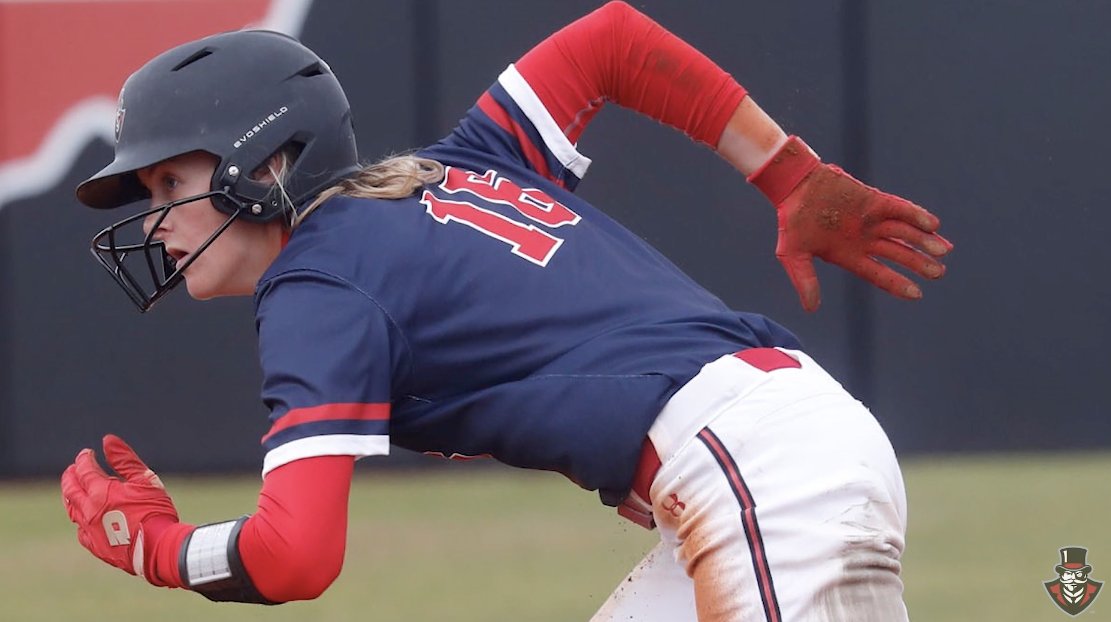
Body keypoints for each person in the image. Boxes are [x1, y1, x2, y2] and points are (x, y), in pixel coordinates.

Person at [60, 2, 951, 620]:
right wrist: (787, 173)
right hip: (769, 452)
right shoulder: (465, 163)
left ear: (263, 165)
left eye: (170, 180)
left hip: (759, 474)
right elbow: (612, 41)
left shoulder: (317, 286)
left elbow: (296, 555)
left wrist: (161, 550)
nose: (156, 218)